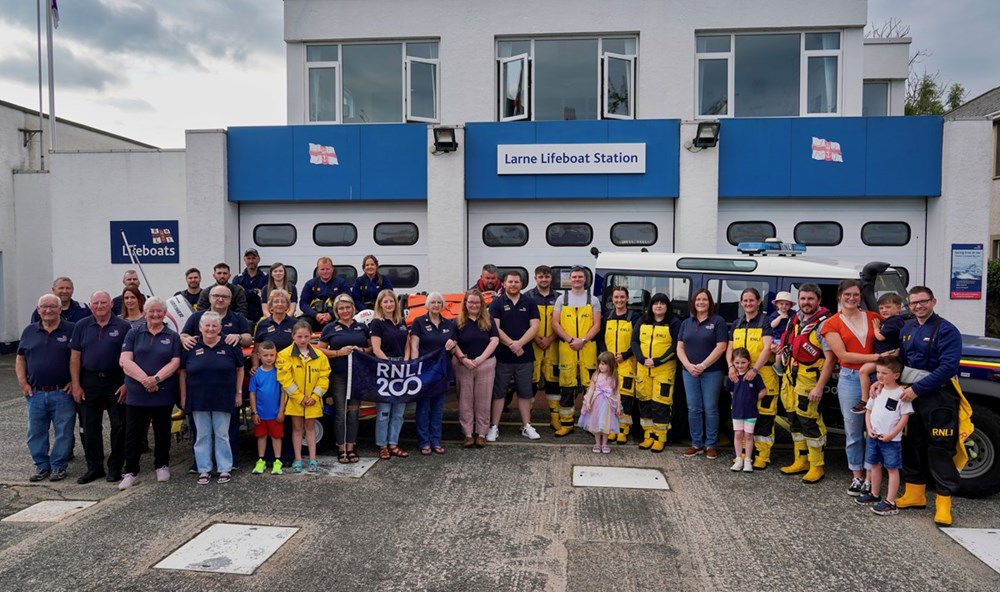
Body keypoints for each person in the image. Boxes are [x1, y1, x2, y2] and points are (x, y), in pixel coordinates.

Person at [892, 286, 965, 526]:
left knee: (940, 449)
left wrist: (916, 389)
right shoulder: (908, 328)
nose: (918, 307)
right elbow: (901, 360)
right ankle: (915, 494)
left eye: (922, 302)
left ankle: (944, 504)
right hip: (911, 395)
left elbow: (948, 368)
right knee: (912, 443)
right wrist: (883, 383)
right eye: (913, 303)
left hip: (938, 398)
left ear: (933, 301)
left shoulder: (947, 330)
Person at [821, 279, 888, 495]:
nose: (852, 298)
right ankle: (857, 475)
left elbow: (886, 340)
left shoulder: (874, 317)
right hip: (850, 377)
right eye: (847, 294)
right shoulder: (831, 323)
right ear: (839, 296)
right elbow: (842, 355)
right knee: (853, 430)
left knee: (875, 428)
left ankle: (871, 476)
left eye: (856, 295)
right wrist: (877, 357)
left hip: (879, 378)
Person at [181, 284, 252, 467]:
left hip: (225, 386)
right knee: (200, 431)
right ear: (209, 297)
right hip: (199, 388)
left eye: (225, 296)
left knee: (228, 428)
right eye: (216, 295)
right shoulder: (197, 316)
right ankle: (201, 465)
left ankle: (230, 462)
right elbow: (183, 335)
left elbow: (248, 338)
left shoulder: (237, 317)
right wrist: (184, 338)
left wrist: (238, 336)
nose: (220, 299)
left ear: (230, 300)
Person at [118, 297, 181, 489]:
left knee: (162, 431)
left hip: (162, 391)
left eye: (159, 311)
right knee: (133, 433)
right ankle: (130, 471)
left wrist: (156, 379)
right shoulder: (133, 333)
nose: (155, 314)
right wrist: (145, 379)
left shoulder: (172, 336)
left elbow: (175, 362)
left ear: (164, 314)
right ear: (145, 313)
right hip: (137, 392)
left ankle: (162, 465)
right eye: (151, 311)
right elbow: (125, 361)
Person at [69, 291, 131, 484]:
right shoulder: (81, 326)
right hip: (89, 381)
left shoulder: (123, 326)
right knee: (90, 427)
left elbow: (131, 356)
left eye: (103, 302)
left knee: (119, 426)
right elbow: (75, 358)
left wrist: (126, 383)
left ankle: (115, 468)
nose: (99, 306)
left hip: (116, 380)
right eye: (95, 303)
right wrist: (76, 385)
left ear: (111, 304)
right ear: (90, 305)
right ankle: (94, 468)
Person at [16, 294, 77, 482]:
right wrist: (23, 383)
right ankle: (41, 466)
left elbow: (78, 359)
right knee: (35, 432)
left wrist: (74, 382)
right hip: (35, 393)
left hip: (62, 392)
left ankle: (58, 466)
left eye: (52, 306)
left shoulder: (72, 330)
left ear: (60, 309)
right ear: (38, 309)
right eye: (44, 307)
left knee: (64, 432)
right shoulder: (29, 331)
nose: (48, 310)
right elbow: (20, 358)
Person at [778, 284, 834, 484]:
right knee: (794, 421)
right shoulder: (796, 320)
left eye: (810, 299)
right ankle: (800, 460)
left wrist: (819, 386)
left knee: (810, 422)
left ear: (819, 300)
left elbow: (830, 359)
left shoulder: (824, 325)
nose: (806, 303)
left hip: (809, 380)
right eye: (802, 299)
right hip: (791, 378)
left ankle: (816, 465)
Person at [179, 311, 245, 485]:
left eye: (214, 325)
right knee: (202, 435)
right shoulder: (190, 346)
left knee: (222, 434)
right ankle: (204, 469)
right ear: (200, 328)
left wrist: (238, 393)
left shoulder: (230, 345)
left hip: (223, 397)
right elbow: (183, 372)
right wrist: (184, 396)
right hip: (197, 398)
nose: (210, 329)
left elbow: (240, 369)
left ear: (220, 328)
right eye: (206, 325)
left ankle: (224, 468)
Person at [726, 288, 778, 469]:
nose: (748, 304)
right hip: (740, 375)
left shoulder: (766, 322)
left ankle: (762, 456)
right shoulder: (737, 323)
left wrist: (755, 369)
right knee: (741, 416)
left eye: (751, 300)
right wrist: (731, 367)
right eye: (745, 301)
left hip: (762, 374)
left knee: (764, 417)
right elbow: (730, 349)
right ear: (741, 303)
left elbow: (766, 348)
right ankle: (741, 456)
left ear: (758, 302)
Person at [317, 293, 372, 464]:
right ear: (336, 311)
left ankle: (351, 446)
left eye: (348, 307)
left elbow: (371, 347)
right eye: (341, 308)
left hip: (357, 376)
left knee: (354, 412)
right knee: (340, 413)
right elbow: (319, 350)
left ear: (353, 308)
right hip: (339, 376)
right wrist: (337, 353)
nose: (345, 311)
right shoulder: (330, 328)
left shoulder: (361, 327)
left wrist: (363, 350)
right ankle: (341, 448)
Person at [488, 271, 542, 442]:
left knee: (525, 393)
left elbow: (534, 327)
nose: (513, 284)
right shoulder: (496, 303)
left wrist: (519, 344)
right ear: (504, 284)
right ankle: (494, 427)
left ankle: (526, 426)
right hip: (502, 357)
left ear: (521, 284)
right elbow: (494, 328)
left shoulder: (530, 302)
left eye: (516, 282)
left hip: (524, 357)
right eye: (510, 282)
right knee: (498, 393)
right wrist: (512, 344)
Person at [858, 356, 913, 516]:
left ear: (896, 375)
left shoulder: (901, 393)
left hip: (891, 440)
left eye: (884, 373)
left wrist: (892, 434)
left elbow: (904, 417)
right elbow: (868, 411)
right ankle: (875, 494)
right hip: (874, 436)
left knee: (892, 468)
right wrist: (869, 428)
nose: (880, 376)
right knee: (874, 465)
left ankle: (890, 501)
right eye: (878, 372)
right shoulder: (877, 391)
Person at [677, 288, 729, 460]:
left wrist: (703, 365)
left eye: (704, 300)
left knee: (711, 408)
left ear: (710, 302)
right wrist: (688, 365)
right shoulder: (686, 323)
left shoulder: (718, 321)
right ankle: (696, 443)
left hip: (712, 372)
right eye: (698, 300)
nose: (701, 302)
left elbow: (721, 346)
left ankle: (711, 445)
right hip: (689, 371)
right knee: (693, 408)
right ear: (693, 303)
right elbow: (680, 347)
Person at [552, 266, 601, 437]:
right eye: (574, 277)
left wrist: (583, 340)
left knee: (591, 388)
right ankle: (567, 424)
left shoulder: (593, 299)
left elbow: (597, 325)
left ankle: (591, 424)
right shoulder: (561, 299)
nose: (577, 279)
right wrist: (571, 340)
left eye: (580, 277)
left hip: (587, 350)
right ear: (569, 279)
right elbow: (555, 324)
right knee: (566, 388)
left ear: (585, 279)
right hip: (567, 349)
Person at [277, 320, 330, 473]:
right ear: (293, 336)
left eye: (306, 336)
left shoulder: (320, 355)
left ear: (311, 336)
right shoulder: (284, 355)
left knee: (311, 428)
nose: (303, 340)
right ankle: (298, 459)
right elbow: (285, 379)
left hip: (313, 400)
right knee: (297, 429)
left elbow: (324, 377)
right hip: (295, 401)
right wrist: (300, 397)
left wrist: (315, 396)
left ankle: (313, 459)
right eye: (299, 336)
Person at [630, 293, 680, 452]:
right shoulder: (642, 320)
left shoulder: (673, 322)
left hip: (663, 370)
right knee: (644, 402)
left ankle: (660, 438)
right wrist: (641, 358)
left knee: (661, 404)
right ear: (651, 306)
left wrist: (658, 361)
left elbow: (676, 346)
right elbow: (634, 341)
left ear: (667, 306)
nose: (659, 306)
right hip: (644, 368)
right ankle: (648, 436)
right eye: (655, 303)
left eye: (662, 303)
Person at [409, 292, 457, 455]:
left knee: (437, 408)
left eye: (439, 302)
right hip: (424, 371)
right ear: (427, 305)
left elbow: (454, 343)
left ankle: (436, 441)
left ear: (443, 305)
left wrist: (453, 344)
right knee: (423, 408)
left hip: (442, 371)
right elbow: (414, 346)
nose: (436, 305)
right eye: (433, 302)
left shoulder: (449, 324)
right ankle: (424, 442)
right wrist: (415, 366)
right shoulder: (419, 322)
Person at [452, 290, 500, 448]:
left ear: (482, 304)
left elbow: (494, 340)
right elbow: (453, 342)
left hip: (485, 364)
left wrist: (480, 359)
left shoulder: (488, 320)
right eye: (470, 302)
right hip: (463, 364)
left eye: (477, 302)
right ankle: (467, 434)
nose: (473, 305)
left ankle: (481, 434)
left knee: (483, 400)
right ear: (465, 303)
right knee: (465, 400)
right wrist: (463, 359)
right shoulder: (457, 322)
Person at [370, 289, 412, 460]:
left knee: (399, 411)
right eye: (385, 302)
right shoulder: (377, 323)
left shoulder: (401, 322)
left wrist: (406, 361)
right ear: (380, 304)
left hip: (402, 366)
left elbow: (407, 344)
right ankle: (382, 445)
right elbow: (376, 348)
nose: (389, 305)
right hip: (385, 367)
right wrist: (390, 364)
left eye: (391, 301)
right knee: (384, 411)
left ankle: (393, 443)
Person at [853, 292, 905, 414]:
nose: (884, 310)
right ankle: (866, 401)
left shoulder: (894, 321)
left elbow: (881, 337)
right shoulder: (890, 321)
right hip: (882, 357)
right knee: (865, 371)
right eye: (881, 308)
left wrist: (876, 328)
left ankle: (864, 400)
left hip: (888, 358)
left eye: (888, 307)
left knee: (864, 371)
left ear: (898, 308)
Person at [600, 285, 640, 444]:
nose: (619, 300)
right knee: (609, 397)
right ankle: (611, 429)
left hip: (627, 363)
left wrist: (625, 355)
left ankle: (623, 430)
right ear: (612, 299)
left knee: (625, 399)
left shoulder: (634, 317)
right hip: (610, 364)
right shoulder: (607, 317)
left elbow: (637, 341)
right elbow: (601, 339)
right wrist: (607, 356)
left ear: (627, 298)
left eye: (622, 297)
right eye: (616, 297)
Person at [525, 265, 560, 430]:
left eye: (547, 276)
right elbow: (522, 323)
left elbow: (562, 324)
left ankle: (555, 418)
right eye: (541, 277)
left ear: (551, 278)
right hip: (533, 346)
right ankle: (527, 420)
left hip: (553, 347)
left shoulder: (560, 298)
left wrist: (550, 338)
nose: (544, 279)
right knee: (530, 383)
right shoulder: (527, 297)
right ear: (535, 278)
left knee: (553, 382)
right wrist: (537, 339)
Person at [726, 348, 766, 472]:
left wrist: (753, 400)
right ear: (733, 362)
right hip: (737, 411)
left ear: (749, 362)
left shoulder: (754, 377)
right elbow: (731, 391)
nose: (740, 365)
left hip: (750, 412)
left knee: (748, 435)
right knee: (738, 434)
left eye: (743, 362)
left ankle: (748, 460)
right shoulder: (732, 377)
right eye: (737, 363)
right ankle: (738, 459)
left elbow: (763, 391)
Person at [249, 341, 286, 475]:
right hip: (261, 413)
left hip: (275, 413)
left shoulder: (279, 373)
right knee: (261, 436)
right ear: (259, 356)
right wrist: (254, 412)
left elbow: (283, 392)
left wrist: (281, 411)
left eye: (272, 355)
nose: (269, 358)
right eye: (265, 355)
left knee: (277, 437)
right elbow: (252, 393)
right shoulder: (256, 374)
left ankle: (277, 461)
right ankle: (261, 460)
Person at [578, 351, 622, 454]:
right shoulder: (596, 375)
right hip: (596, 403)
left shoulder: (614, 377)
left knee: (605, 424)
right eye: (600, 363)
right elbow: (591, 390)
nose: (601, 366)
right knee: (595, 423)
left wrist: (618, 406)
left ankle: (605, 443)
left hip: (608, 404)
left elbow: (617, 393)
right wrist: (588, 402)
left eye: (604, 364)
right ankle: (597, 443)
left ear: (610, 365)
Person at [299, 256, 360, 330]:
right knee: (301, 323)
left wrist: (331, 314)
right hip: (315, 317)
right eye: (322, 269)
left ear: (332, 269)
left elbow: (349, 301)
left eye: (328, 269)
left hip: (335, 316)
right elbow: (303, 303)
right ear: (318, 270)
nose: (325, 272)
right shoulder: (310, 284)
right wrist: (315, 315)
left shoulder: (341, 283)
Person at [233, 248, 268, 324]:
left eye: (253, 258)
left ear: (258, 259)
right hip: (243, 317)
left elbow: (265, 297)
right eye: (248, 258)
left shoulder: (266, 278)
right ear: (244, 260)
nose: (251, 261)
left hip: (262, 317)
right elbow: (237, 298)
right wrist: (254, 291)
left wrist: (244, 292)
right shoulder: (238, 279)